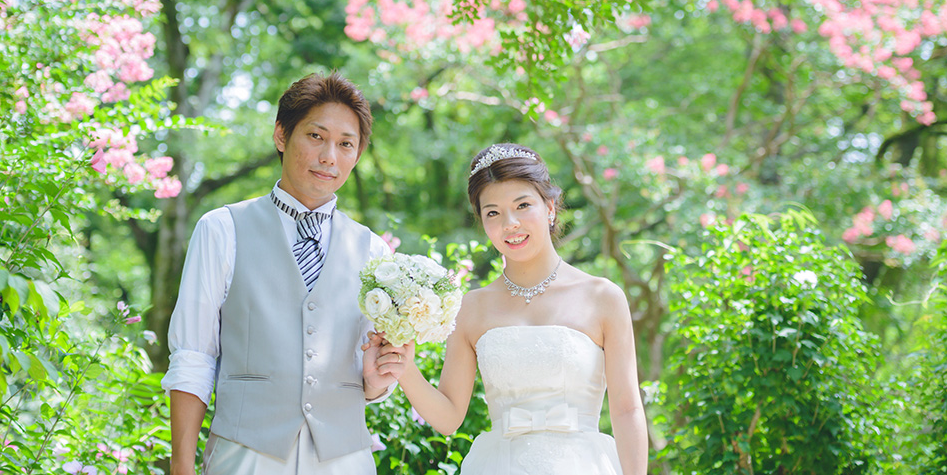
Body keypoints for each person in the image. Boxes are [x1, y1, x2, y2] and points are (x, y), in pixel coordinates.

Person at [162, 72, 407, 475]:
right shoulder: (222, 229)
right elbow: (193, 355)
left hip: (344, 460)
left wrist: (379, 379)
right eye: (316, 136)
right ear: (281, 136)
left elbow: (373, 381)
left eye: (346, 144)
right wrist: (181, 467)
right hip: (245, 456)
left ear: (357, 154)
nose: (330, 156)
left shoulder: (374, 251)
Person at [371, 143, 648, 475]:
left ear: (550, 208)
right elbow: (448, 418)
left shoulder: (602, 297)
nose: (510, 224)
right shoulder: (470, 308)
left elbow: (627, 409)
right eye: (493, 213)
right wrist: (406, 370)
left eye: (523, 205)